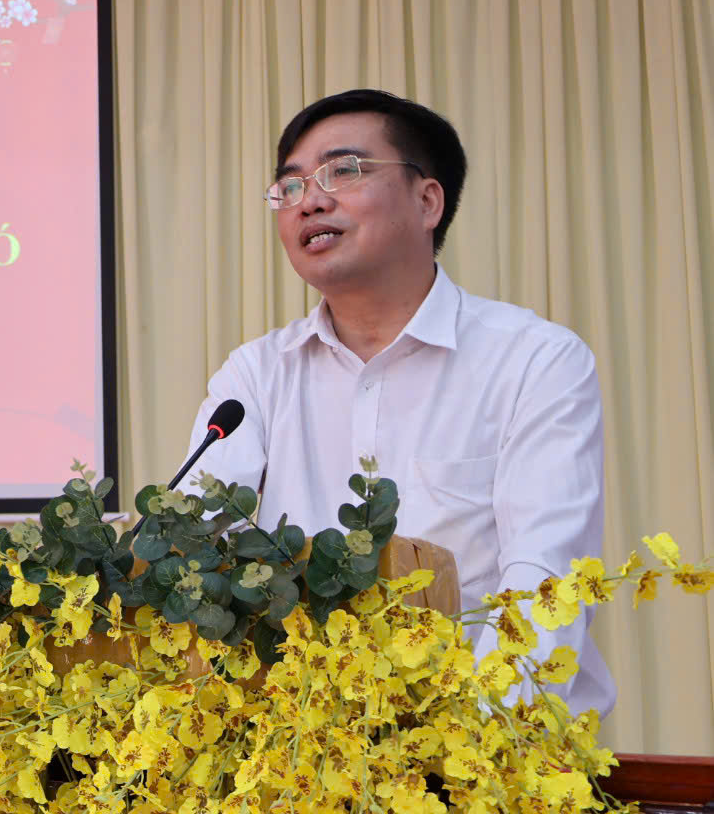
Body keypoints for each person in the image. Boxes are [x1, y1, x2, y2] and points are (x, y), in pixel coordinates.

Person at [187, 88, 615, 716]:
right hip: (298, 748)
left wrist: (471, 737)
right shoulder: (254, 377)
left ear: (427, 201)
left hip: (486, 744)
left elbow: (543, 576)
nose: (311, 200)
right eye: (291, 185)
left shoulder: (535, 360)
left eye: (344, 171)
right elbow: (200, 548)